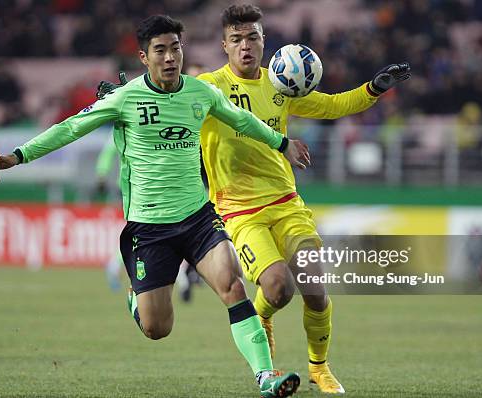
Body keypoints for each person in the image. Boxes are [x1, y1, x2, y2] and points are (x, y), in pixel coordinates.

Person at [0, 15, 309, 398]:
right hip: (149, 229)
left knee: (232, 285)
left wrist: (282, 144)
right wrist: (19, 155)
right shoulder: (125, 99)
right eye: (161, 50)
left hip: (198, 218)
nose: (171, 57)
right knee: (158, 328)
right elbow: (70, 127)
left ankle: (265, 377)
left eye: (176, 48)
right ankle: (138, 301)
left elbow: (242, 118)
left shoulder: (200, 94)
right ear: (143, 56)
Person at [98, 5, 410, 394]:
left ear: (264, 42)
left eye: (253, 38)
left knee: (314, 287)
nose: (245, 47)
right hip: (238, 211)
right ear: (224, 46)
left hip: (287, 204)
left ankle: (320, 368)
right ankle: (260, 317)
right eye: (236, 40)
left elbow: (333, 105)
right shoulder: (207, 87)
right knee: (278, 288)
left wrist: (373, 89)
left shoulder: (281, 86)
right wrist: (125, 96)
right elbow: (164, 96)